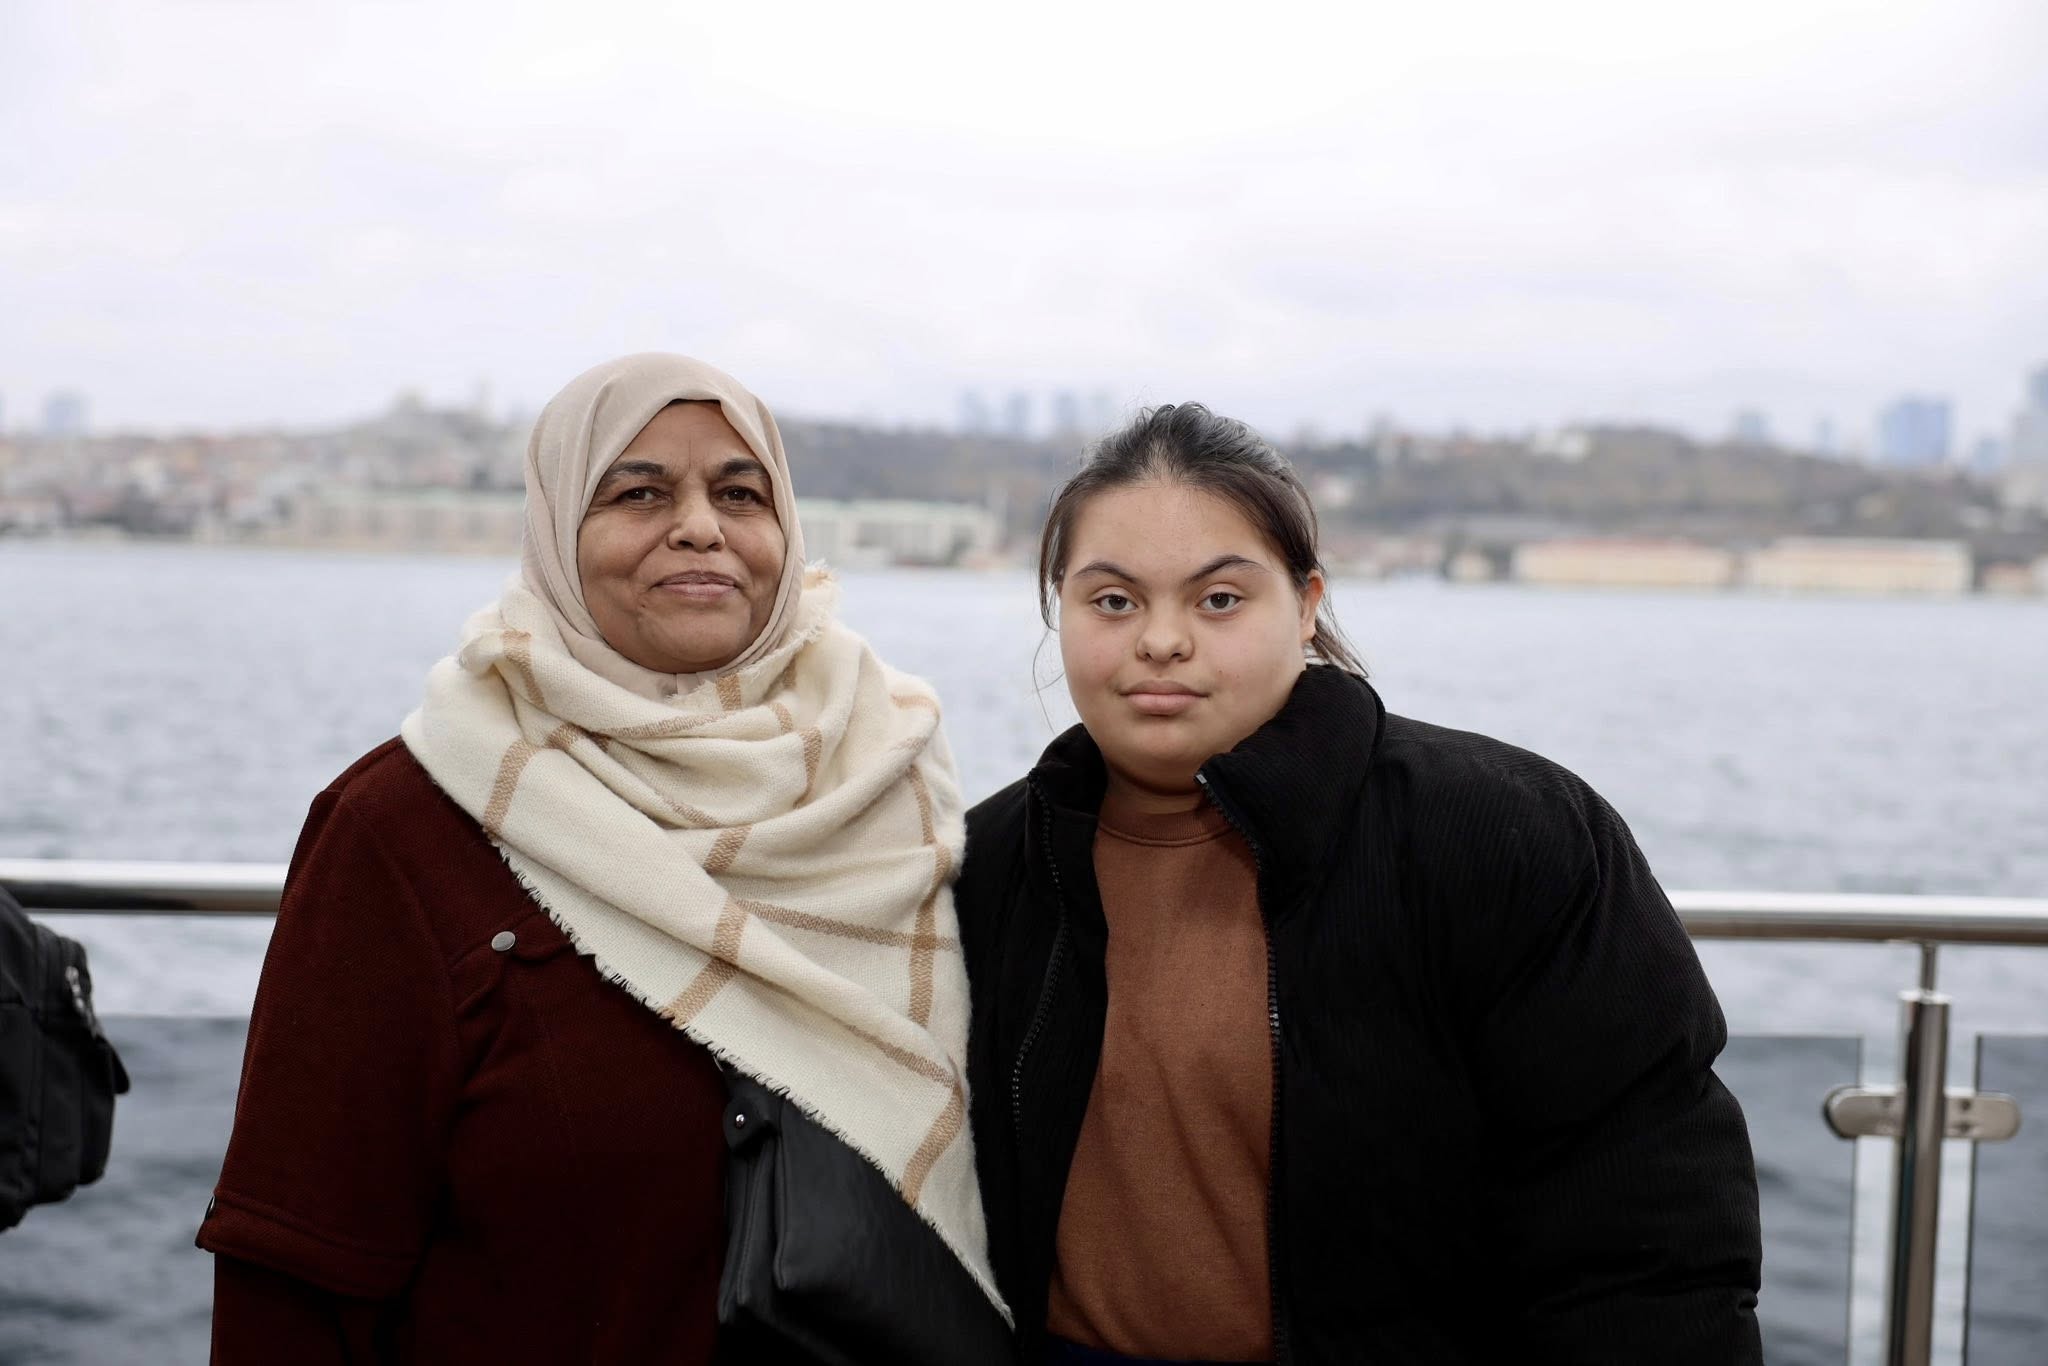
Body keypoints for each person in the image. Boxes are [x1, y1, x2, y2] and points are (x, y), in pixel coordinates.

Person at [199, 353, 1004, 1363]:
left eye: (739, 492)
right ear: (556, 528)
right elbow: (297, 1265)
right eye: (638, 492)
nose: (701, 524)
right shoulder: (407, 824)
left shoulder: (885, 781)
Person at [956, 403, 1763, 1365]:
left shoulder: (1504, 836)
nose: (1160, 641)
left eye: (1218, 600)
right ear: (1060, 610)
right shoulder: (994, 863)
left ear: (1305, 605)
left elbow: (1649, 1245)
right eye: (1114, 601)